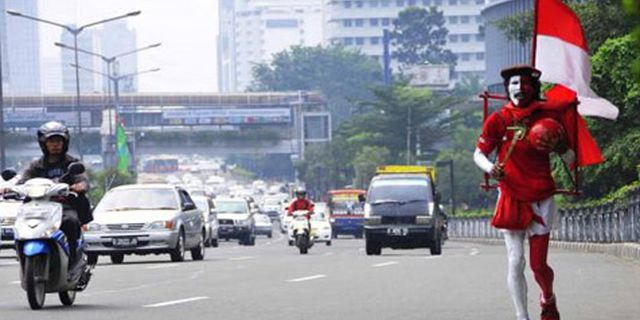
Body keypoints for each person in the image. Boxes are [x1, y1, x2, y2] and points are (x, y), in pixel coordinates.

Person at [473, 65, 577, 320]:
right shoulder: (498, 119)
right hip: (510, 194)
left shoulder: (550, 115)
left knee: (538, 265)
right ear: (507, 88)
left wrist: (562, 146)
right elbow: (479, 153)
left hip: (541, 195)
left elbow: (572, 158)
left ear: (534, 88)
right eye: (514, 84)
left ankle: (547, 297)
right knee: (515, 260)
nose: (519, 89)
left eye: (524, 84)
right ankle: (522, 316)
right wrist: (490, 168)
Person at [17, 121, 92, 270]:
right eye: (51, 141)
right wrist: (10, 189)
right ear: (43, 143)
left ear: (65, 142)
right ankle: (23, 259)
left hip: (64, 206)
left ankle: (72, 261)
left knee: (70, 221)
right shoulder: (35, 165)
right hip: (37, 206)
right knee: (20, 225)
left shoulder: (72, 163)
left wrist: (80, 186)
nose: (55, 144)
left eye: (58, 141)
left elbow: (82, 179)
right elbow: (23, 181)